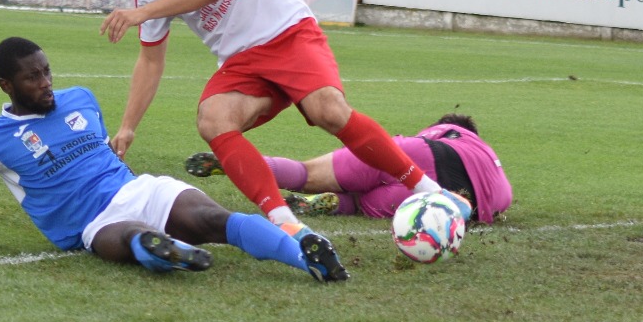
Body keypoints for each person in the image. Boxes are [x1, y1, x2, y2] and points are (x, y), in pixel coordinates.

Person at [100, 0, 471, 242]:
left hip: (288, 32)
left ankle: (432, 192)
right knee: (214, 120)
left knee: (329, 110)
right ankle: (287, 223)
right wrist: (129, 126)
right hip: (241, 62)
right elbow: (150, 62)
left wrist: (142, 13)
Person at [0, 37, 349, 283]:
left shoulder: (82, 98)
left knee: (213, 217)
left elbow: (104, 154)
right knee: (123, 239)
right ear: (6, 86)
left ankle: (307, 256)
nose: (45, 83)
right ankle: (165, 250)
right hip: (91, 222)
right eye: (31, 78)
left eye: (46, 72)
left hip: (138, 188)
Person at [186, 112, 513, 223]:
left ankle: (236, 164)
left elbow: (420, 145)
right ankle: (336, 205)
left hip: (417, 155)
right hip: (451, 205)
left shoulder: (452, 132)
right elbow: (497, 209)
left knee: (307, 174)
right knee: (361, 202)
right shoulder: (504, 190)